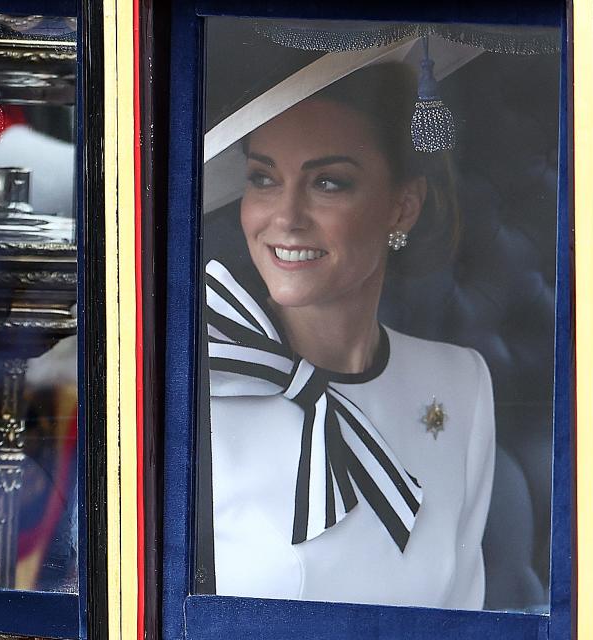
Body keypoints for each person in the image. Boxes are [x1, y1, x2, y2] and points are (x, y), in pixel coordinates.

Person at [202, 61, 495, 610]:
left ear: (401, 207)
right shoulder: (199, 380)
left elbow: (463, 611)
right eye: (264, 179)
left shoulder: (460, 384)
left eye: (328, 182)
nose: (286, 217)